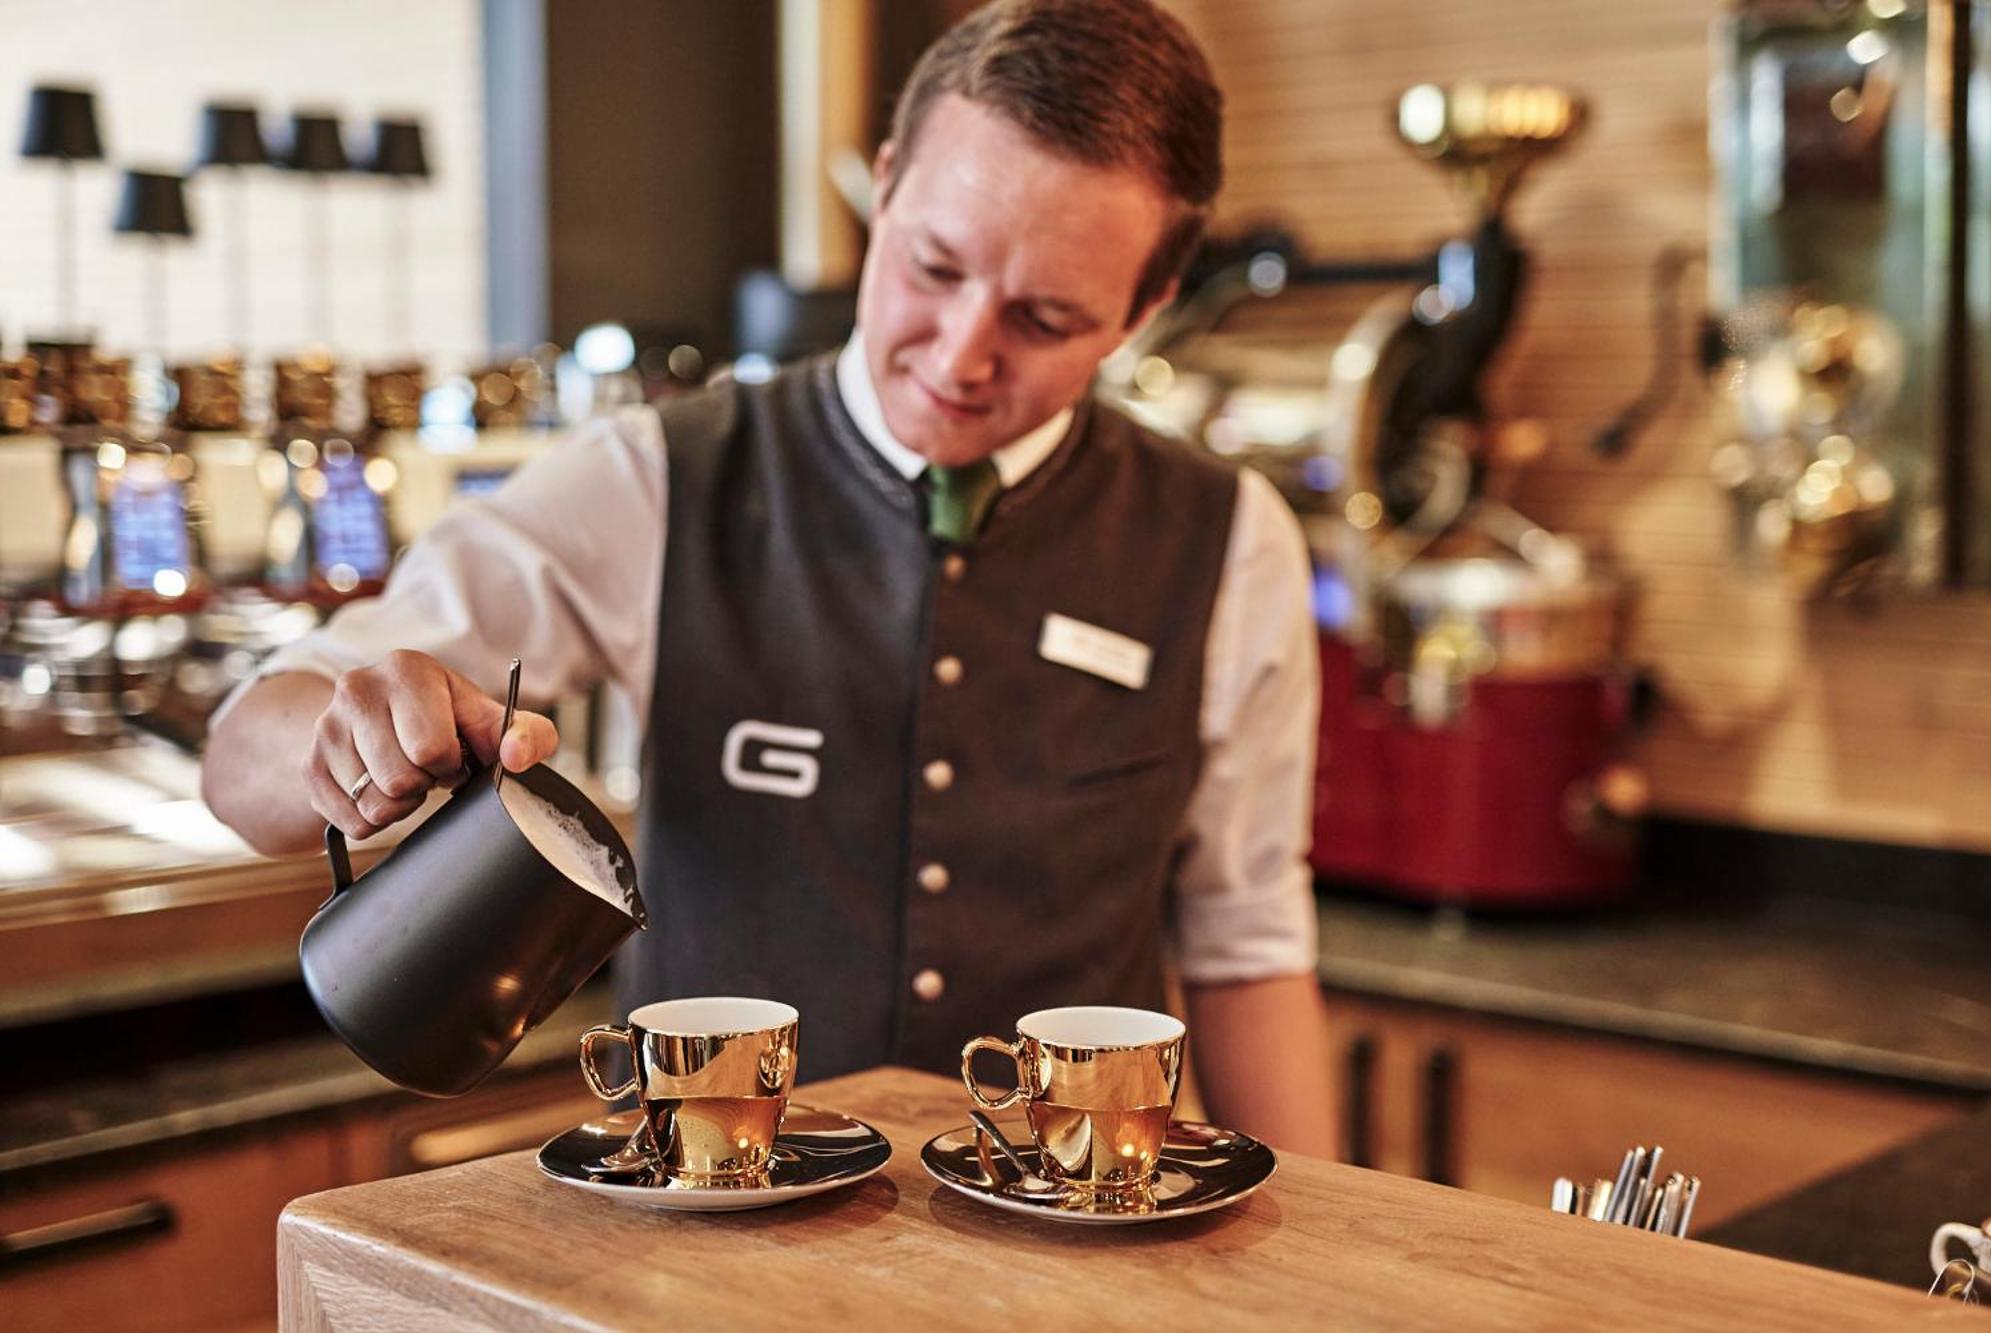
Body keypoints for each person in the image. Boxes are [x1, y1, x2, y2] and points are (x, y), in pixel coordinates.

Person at [204, 0, 1338, 1156]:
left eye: (1045, 317)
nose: (959, 354)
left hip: (1071, 1238)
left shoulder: (1227, 540)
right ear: (884, 186)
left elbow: (1245, 949)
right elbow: (240, 762)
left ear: (1145, 306)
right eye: (931, 265)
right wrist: (349, 736)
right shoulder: (659, 477)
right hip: (714, 1233)